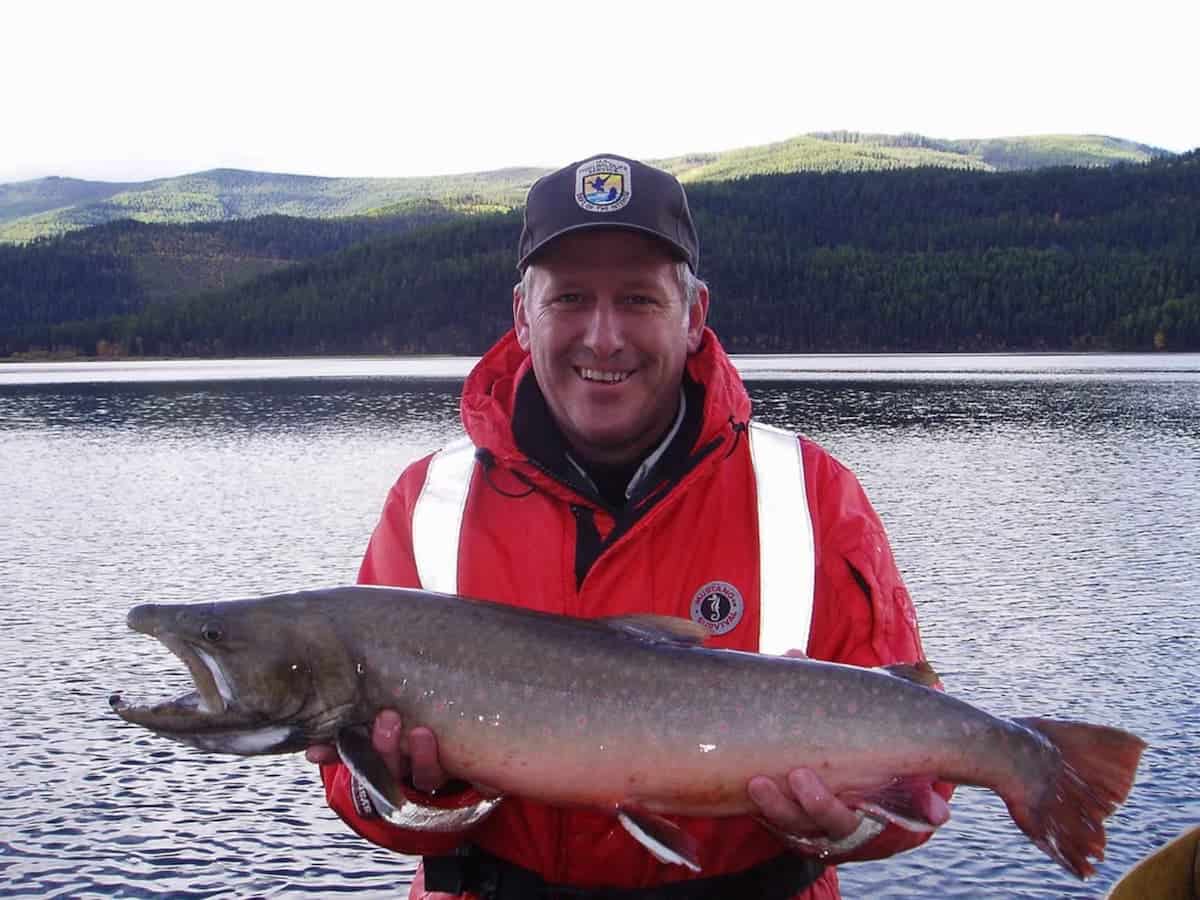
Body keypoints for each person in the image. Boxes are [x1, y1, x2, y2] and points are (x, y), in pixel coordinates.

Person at [307, 153, 952, 899]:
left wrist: (851, 823)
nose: (604, 337)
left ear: (694, 316)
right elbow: (362, 800)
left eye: (640, 300)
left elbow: (920, 784)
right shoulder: (428, 502)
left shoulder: (812, 494)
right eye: (571, 298)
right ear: (523, 317)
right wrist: (422, 789)